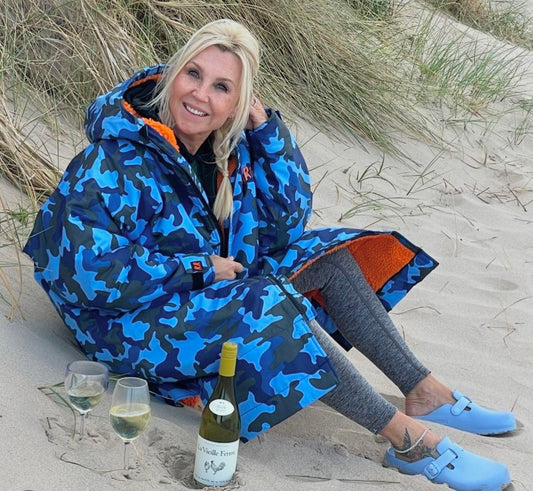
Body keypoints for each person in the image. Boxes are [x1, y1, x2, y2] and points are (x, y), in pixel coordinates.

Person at [24, 19, 515, 490]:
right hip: (120, 324)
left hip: (201, 296)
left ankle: (423, 391)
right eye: (193, 74)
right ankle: (409, 441)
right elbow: (84, 271)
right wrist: (198, 269)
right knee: (266, 305)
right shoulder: (114, 158)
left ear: (238, 102)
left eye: (222, 87)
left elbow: (287, 226)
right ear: (173, 75)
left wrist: (265, 132)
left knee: (329, 258)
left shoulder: (227, 150)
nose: (200, 94)